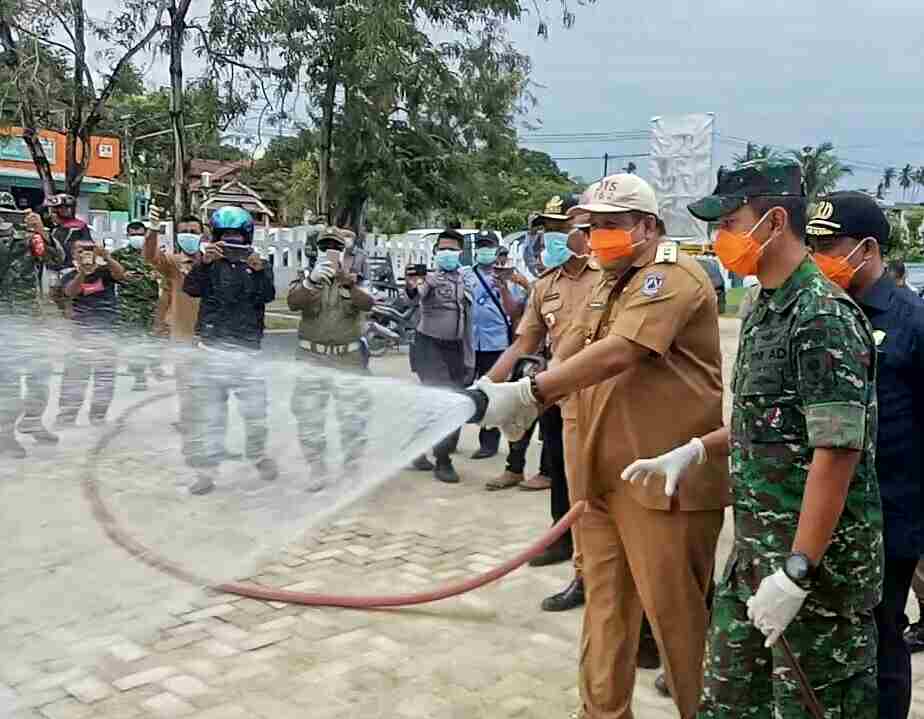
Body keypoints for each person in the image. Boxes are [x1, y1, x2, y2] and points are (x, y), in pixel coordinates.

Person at [622, 161, 881, 718]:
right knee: (727, 704)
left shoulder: (822, 316)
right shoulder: (766, 303)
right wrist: (696, 449)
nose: (720, 240)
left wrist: (798, 571)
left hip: (817, 578)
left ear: (776, 220)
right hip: (754, 558)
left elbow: (836, 455)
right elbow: (765, 420)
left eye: (731, 223)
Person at [472, 173, 729, 719]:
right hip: (602, 479)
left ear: (649, 227)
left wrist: (531, 390)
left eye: (613, 225)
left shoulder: (672, 278)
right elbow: (567, 358)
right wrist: (519, 402)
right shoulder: (601, 287)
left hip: (664, 481)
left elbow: (620, 353)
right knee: (606, 609)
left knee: (675, 620)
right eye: (593, 226)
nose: (598, 236)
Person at [807, 191, 924, 719]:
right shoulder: (826, 314)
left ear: (869, 249)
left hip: (892, 513)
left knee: (881, 637)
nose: (818, 257)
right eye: (814, 245)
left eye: (830, 246)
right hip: (834, 510)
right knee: (836, 636)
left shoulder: (910, 322)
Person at [484, 196, 598, 612]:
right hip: (557, 396)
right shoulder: (545, 285)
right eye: (549, 227)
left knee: (601, 493)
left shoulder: (612, 278)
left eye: (563, 225)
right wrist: (487, 386)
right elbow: (524, 342)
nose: (554, 235)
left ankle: (603, 575)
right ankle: (571, 555)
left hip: (607, 402)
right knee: (566, 478)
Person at [182, 206, 277, 495]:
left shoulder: (259, 263)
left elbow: (268, 296)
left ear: (247, 236)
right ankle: (205, 473)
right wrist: (203, 263)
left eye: (237, 237)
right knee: (210, 415)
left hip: (248, 352)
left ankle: (259, 456)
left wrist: (260, 271)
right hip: (211, 350)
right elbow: (191, 289)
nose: (231, 243)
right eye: (225, 237)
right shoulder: (208, 263)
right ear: (216, 237)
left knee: (256, 413)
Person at [288, 226, 374, 487]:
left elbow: (369, 304)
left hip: (347, 359)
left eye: (336, 247)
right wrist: (311, 281)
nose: (330, 252)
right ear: (317, 251)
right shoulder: (305, 277)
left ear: (345, 252)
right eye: (325, 247)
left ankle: (351, 468)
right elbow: (293, 302)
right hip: (310, 358)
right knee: (309, 416)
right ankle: (317, 469)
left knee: (352, 417)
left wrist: (350, 284)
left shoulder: (355, 277)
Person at [406, 229, 473, 484]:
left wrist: (469, 356)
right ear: (435, 252)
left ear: (459, 252)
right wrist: (413, 286)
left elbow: (468, 318)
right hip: (429, 346)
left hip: (456, 348)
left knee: (450, 401)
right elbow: (416, 294)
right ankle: (443, 461)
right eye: (442, 249)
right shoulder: (430, 279)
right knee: (445, 401)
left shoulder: (465, 279)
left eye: (452, 249)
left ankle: (414, 447)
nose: (447, 253)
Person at [0, 194, 65, 456]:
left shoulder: (28, 238)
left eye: (8, 213)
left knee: (40, 374)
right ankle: (4, 434)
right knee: (8, 382)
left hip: (31, 319)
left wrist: (42, 231)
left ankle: (33, 421)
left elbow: (57, 259)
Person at [468, 230, 528, 469]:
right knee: (461, 388)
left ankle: (488, 443)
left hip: (495, 343)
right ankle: (448, 442)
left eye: (488, 246)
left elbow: (514, 310)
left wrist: (503, 285)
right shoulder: (465, 275)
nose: (484, 250)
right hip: (468, 341)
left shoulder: (511, 277)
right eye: (481, 246)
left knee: (490, 392)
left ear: (496, 249)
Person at [57, 236, 127, 426]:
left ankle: (98, 417)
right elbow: (70, 292)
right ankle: (66, 418)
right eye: (80, 250)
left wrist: (106, 257)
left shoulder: (105, 272)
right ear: (73, 255)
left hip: (107, 331)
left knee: (105, 378)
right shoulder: (70, 275)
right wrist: (82, 272)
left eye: (89, 249)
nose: (85, 253)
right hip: (80, 334)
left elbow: (121, 275)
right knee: (75, 377)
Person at [112, 220, 160, 391]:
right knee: (134, 341)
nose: (137, 238)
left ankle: (156, 365)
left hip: (152, 302)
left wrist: (158, 274)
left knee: (155, 339)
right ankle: (139, 376)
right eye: (133, 235)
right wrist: (123, 275)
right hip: (130, 303)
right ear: (127, 235)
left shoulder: (155, 254)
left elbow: (166, 272)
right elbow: (113, 274)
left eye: (140, 234)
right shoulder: (119, 255)